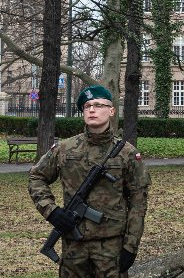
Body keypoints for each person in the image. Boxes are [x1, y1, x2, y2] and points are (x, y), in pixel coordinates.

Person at [29, 85, 151, 277]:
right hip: (73, 247)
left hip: (111, 247)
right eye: (87, 106)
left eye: (98, 105)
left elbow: (138, 201)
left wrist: (131, 244)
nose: (92, 110)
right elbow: (36, 177)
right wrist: (51, 211)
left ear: (111, 111)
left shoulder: (127, 153)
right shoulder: (64, 149)